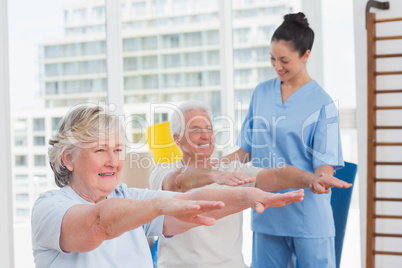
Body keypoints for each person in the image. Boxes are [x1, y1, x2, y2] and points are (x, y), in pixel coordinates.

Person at [30, 105, 306, 268]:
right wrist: (160, 204)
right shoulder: (50, 208)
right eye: (101, 150)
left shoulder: (127, 196)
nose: (113, 161)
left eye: (118, 149)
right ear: (68, 158)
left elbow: (193, 201)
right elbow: (99, 224)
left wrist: (246, 195)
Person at [149, 101, 351, 268]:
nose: (206, 136)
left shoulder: (234, 170)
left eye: (209, 129)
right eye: (195, 130)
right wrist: (215, 176)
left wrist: (312, 179)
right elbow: (179, 181)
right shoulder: (161, 172)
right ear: (177, 139)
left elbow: (277, 176)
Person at [224, 12, 345, 268]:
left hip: (308, 214)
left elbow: (324, 166)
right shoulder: (261, 93)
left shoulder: (322, 104)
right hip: (266, 211)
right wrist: (211, 166)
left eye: (284, 60)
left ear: (306, 55)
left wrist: (321, 180)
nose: (277, 66)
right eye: (273, 59)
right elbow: (245, 151)